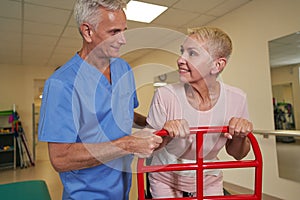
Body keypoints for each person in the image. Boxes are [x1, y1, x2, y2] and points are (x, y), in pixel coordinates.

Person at [38, 0, 162, 199]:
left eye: (124, 31)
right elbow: (60, 158)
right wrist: (128, 144)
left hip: (123, 187)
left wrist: (153, 125)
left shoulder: (124, 69)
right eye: (114, 32)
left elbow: (122, 113)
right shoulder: (61, 84)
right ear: (88, 32)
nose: (123, 40)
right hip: (87, 193)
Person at [146, 26, 253, 198]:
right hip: (166, 178)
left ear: (217, 65)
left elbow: (238, 154)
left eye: (192, 53)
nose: (180, 59)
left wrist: (241, 136)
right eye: (182, 52)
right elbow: (148, 148)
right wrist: (165, 133)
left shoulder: (237, 98)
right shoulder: (165, 95)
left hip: (209, 178)